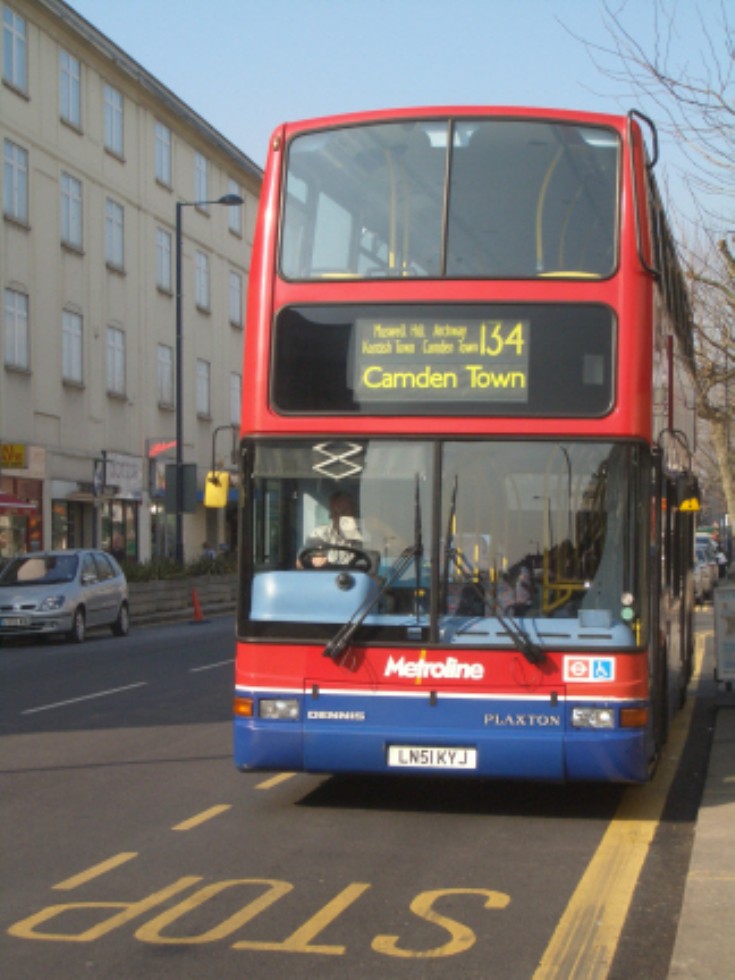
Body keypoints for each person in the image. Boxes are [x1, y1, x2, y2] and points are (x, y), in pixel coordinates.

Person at [299, 491, 364, 568]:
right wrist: (313, 559)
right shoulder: (320, 534)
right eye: (336, 513)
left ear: (354, 512)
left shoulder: (366, 537)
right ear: (331, 515)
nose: (341, 517)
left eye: (344, 512)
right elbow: (299, 562)